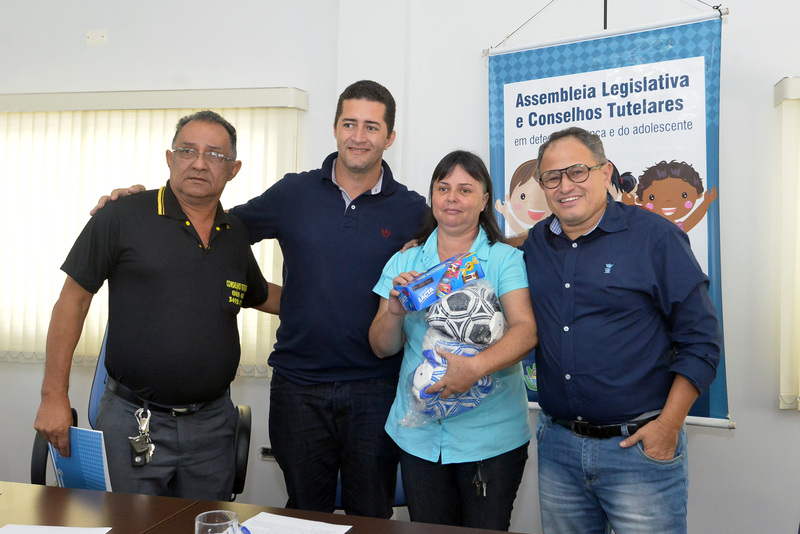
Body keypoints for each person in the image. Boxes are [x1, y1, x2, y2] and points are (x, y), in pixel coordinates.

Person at [93, 81, 429, 517]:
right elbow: (214, 228)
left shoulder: (411, 209)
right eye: (349, 124)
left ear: (390, 137)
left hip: (376, 387)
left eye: (371, 126)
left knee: (371, 515)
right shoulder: (294, 193)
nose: (358, 136)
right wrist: (140, 208)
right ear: (334, 128)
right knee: (304, 514)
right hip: (299, 387)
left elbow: (464, 247)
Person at [33, 110, 280, 500]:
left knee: (203, 524)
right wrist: (53, 396)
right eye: (188, 150)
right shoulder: (122, 216)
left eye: (215, 155)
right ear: (170, 158)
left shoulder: (234, 234)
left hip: (213, 427)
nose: (199, 163)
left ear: (233, 169)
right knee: (130, 524)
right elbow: (72, 302)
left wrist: (340, 303)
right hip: (134, 421)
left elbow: (261, 295)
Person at [522, 127, 722, 533]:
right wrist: (427, 241)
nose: (565, 186)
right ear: (542, 186)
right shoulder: (537, 242)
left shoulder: (656, 237)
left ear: (605, 172)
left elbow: (702, 342)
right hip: (558, 449)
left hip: (639, 450)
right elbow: (490, 249)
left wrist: (668, 428)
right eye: (552, 177)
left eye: (577, 172)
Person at [369, 150, 537, 530]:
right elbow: (382, 347)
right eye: (443, 188)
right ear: (432, 196)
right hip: (418, 437)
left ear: (484, 199)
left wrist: (474, 368)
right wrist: (394, 311)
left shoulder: (503, 260)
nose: (452, 198)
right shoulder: (405, 262)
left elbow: (526, 330)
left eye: (465, 189)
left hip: (491, 439)